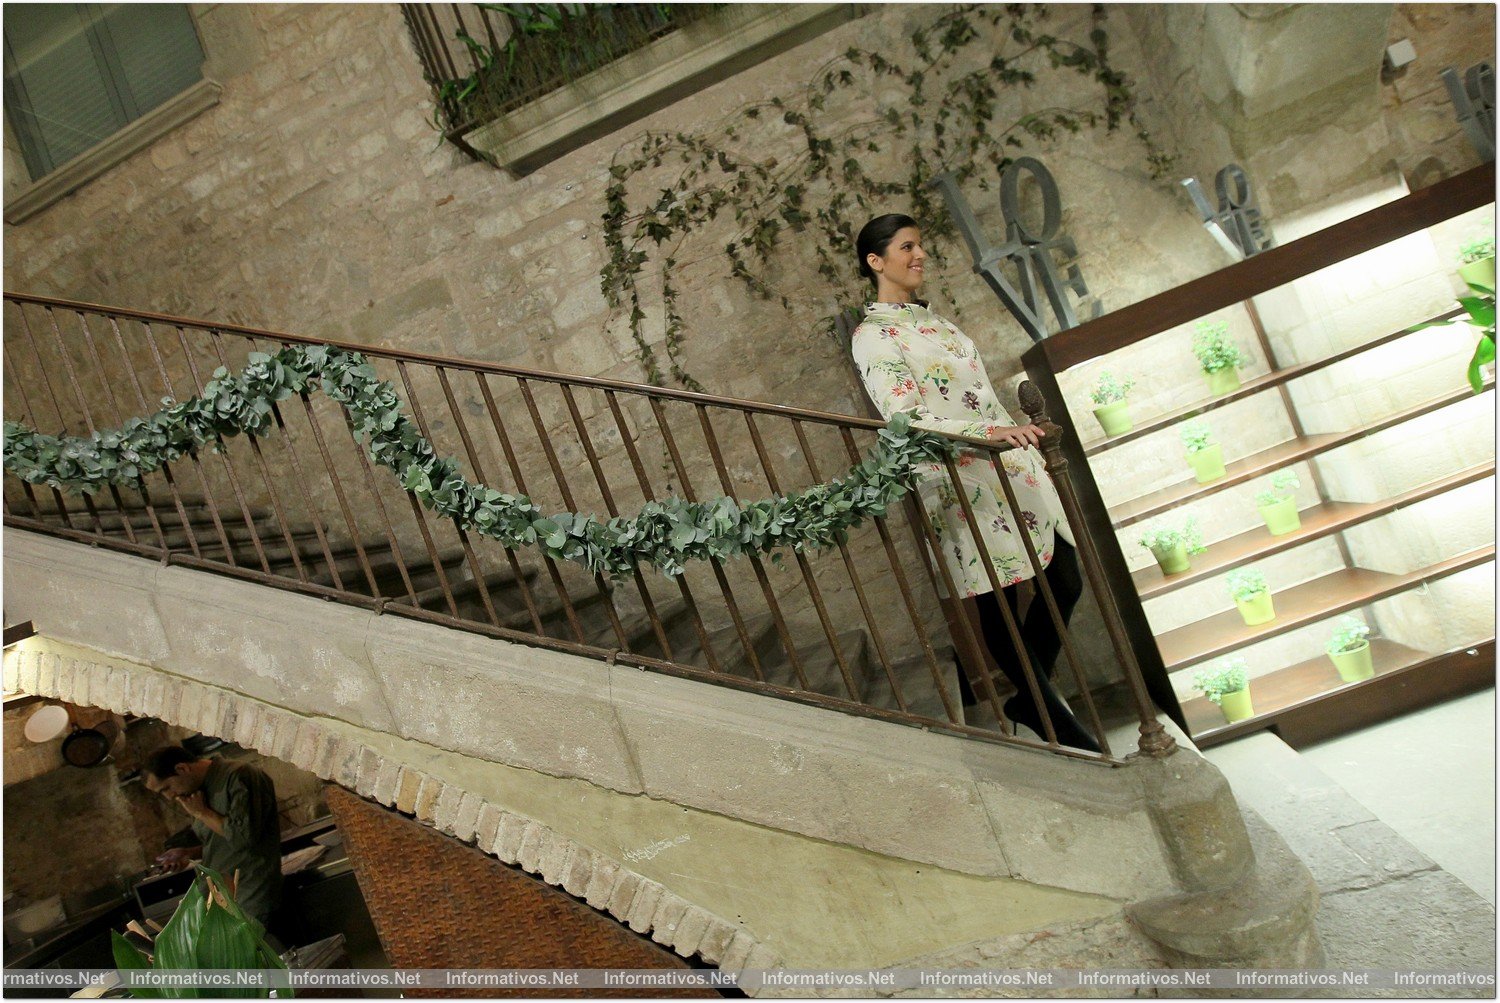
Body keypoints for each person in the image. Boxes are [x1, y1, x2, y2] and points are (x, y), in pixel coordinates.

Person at [849, 212, 1099, 752]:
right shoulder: (872, 337)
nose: (919, 256)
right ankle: (1054, 717)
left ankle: (1032, 700)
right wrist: (993, 432)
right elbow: (905, 417)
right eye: (906, 247)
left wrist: (1005, 433)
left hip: (1005, 466)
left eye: (921, 246)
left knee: (1066, 577)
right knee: (999, 602)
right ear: (876, 262)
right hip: (959, 480)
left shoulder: (933, 322)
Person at [143, 745, 285, 936]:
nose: (170, 797)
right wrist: (189, 853)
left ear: (182, 769)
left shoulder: (239, 776)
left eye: (166, 788)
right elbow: (221, 842)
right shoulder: (197, 792)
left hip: (250, 894)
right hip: (220, 898)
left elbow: (244, 838)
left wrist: (202, 813)